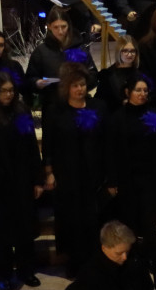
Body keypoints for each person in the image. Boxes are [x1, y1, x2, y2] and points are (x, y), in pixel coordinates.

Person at [0, 72, 44, 290]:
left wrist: (37, 180)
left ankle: (26, 271)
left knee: (24, 231)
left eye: (11, 90)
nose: (8, 94)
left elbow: (32, 147)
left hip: (22, 180)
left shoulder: (21, 111)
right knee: (0, 234)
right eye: (4, 90)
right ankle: (3, 275)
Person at [41, 63, 107, 276]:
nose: (80, 89)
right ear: (66, 88)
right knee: (70, 220)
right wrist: (49, 172)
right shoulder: (55, 111)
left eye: (82, 85)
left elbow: (106, 142)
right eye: (75, 85)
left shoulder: (98, 107)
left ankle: (93, 262)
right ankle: (73, 263)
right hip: (66, 174)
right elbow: (49, 144)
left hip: (93, 174)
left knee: (92, 219)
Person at [104, 73, 156, 253]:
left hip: (150, 176)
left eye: (145, 90)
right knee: (129, 220)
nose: (142, 94)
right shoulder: (117, 118)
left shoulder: (154, 114)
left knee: (150, 221)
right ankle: (131, 257)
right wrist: (112, 180)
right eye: (138, 90)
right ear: (127, 92)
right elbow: (110, 151)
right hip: (127, 178)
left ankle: (150, 257)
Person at [26, 7, 99, 116]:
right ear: (49, 27)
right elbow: (30, 78)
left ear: (68, 25)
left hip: (78, 103)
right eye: (56, 27)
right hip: (52, 105)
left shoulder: (80, 48)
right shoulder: (41, 51)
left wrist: (80, 83)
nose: (60, 31)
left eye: (63, 27)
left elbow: (93, 75)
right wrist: (38, 83)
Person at [95, 35, 141, 112]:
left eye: (132, 51)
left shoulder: (141, 73)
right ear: (119, 51)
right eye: (125, 51)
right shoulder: (107, 74)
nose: (129, 54)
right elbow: (100, 100)